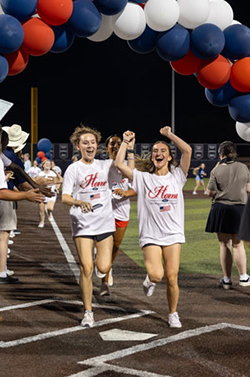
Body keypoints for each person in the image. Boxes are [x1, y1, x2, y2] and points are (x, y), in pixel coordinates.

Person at [115, 127, 192, 328]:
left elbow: (187, 151)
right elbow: (119, 164)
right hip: (150, 234)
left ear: (169, 157)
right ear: (152, 157)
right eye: (155, 151)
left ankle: (173, 313)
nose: (158, 153)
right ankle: (149, 281)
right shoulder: (143, 178)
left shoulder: (177, 176)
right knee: (157, 275)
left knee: (172, 277)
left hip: (173, 234)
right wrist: (125, 142)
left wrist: (169, 135)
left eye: (163, 151)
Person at [62, 124, 117, 328]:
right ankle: (88, 312)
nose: (90, 145)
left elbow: (121, 164)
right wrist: (78, 202)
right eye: (85, 143)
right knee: (87, 268)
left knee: (102, 267)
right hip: (83, 225)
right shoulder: (73, 169)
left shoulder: (104, 166)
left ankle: (107, 271)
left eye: (92, 142)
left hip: (104, 224)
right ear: (78, 146)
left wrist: (129, 145)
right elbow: (65, 197)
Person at [0, 128, 45, 284]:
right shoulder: (4, 156)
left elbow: (16, 168)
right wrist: (29, 193)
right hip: (5, 198)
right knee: (3, 235)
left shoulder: (2, 156)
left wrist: (35, 185)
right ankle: (2, 272)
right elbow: (2, 192)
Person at [205, 141, 250, 289]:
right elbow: (249, 189)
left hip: (221, 208)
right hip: (240, 209)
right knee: (238, 244)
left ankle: (227, 279)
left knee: (224, 245)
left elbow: (209, 193)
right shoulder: (244, 167)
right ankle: (243, 277)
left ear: (221, 154)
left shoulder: (216, 170)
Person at [98, 134, 136, 296]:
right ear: (106, 147)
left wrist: (126, 193)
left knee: (115, 247)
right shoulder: (100, 164)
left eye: (119, 143)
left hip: (121, 210)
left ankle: (107, 270)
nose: (115, 146)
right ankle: (104, 280)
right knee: (102, 246)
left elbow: (136, 185)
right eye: (112, 144)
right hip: (103, 211)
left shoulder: (128, 164)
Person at [36, 159, 62, 227]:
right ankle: (42, 221)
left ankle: (49, 213)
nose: (47, 165)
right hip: (42, 193)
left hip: (51, 193)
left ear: (51, 166)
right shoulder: (40, 174)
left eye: (49, 164)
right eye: (46, 163)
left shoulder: (53, 174)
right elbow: (35, 182)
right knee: (41, 209)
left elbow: (59, 181)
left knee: (50, 208)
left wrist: (57, 188)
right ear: (43, 165)